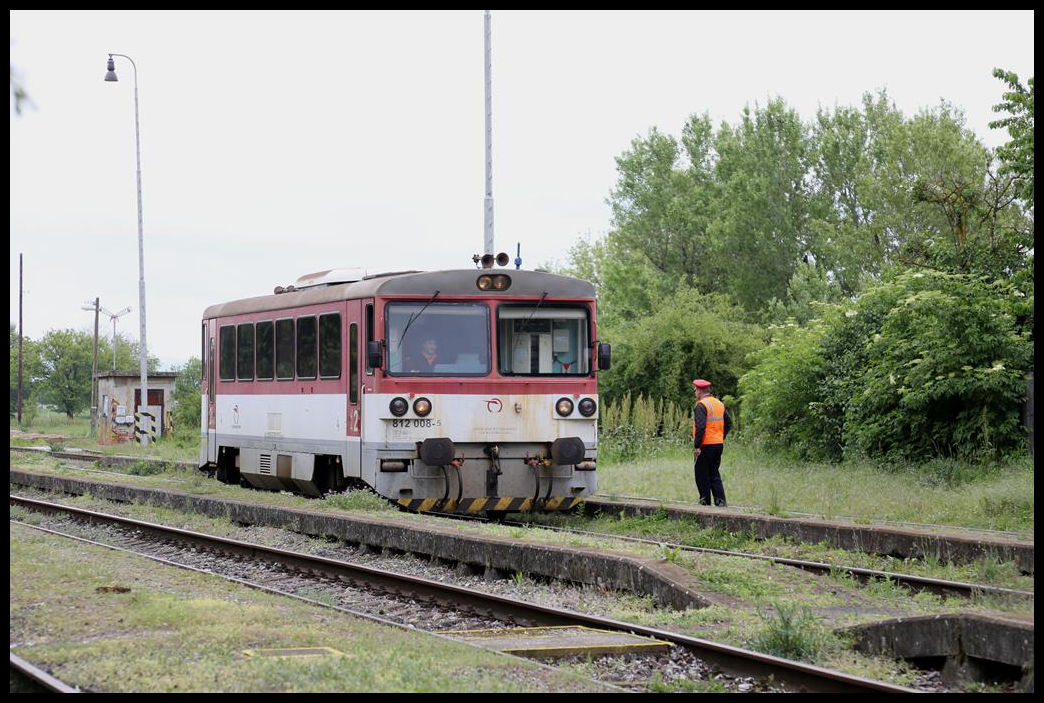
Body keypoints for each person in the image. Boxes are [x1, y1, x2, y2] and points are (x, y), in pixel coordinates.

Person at [692, 378, 732, 507]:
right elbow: (729, 423)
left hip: (705, 445)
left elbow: (701, 427)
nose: (695, 393)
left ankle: (705, 504)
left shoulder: (701, 405)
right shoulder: (719, 404)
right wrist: (720, 437)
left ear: (699, 391)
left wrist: (697, 446)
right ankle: (720, 502)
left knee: (701, 474)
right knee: (714, 473)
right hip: (718, 444)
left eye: (695, 390)